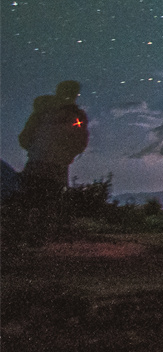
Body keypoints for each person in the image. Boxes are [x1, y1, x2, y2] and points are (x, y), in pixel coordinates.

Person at [16, 80, 88, 245]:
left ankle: (19, 238)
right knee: (48, 202)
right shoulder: (76, 115)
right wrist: (66, 154)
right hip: (57, 166)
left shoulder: (42, 111)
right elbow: (80, 142)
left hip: (36, 162)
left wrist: (36, 148)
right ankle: (36, 241)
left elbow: (24, 138)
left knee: (28, 200)